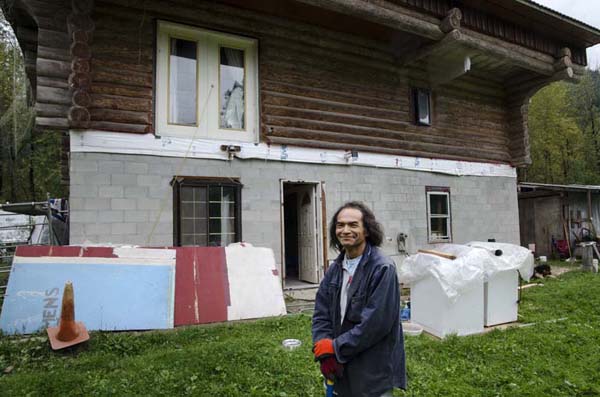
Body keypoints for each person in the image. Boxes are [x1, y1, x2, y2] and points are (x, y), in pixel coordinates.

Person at [312, 201, 406, 396]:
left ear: (367, 231)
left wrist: (336, 347)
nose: (345, 230)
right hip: (340, 365)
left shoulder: (382, 268)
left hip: (371, 368)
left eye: (353, 225)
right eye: (340, 225)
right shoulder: (335, 269)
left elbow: (375, 325)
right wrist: (324, 347)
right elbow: (322, 312)